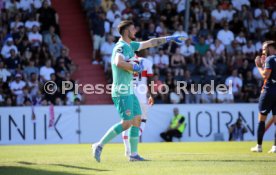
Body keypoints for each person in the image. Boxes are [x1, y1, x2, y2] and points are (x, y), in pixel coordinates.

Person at [92, 20, 187, 162]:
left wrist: (169, 39)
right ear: (126, 32)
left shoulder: (131, 45)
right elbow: (118, 62)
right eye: (132, 29)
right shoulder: (121, 46)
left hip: (129, 90)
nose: (135, 31)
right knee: (126, 123)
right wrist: (135, 68)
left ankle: (134, 155)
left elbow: (151, 42)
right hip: (121, 90)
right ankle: (99, 145)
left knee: (137, 120)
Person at [122, 49, 154, 157]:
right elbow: (150, 80)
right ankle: (132, 148)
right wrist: (151, 94)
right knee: (142, 121)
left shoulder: (127, 61)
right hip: (141, 97)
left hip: (128, 95)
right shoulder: (147, 62)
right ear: (143, 52)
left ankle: (127, 149)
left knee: (126, 123)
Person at [251, 41, 276, 153]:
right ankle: (275, 147)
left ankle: (259, 146)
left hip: (268, 91)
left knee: (261, 118)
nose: (263, 51)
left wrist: (259, 66)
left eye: (265, 48)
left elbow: (265, 75)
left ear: (272, 48)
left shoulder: (270, 59)